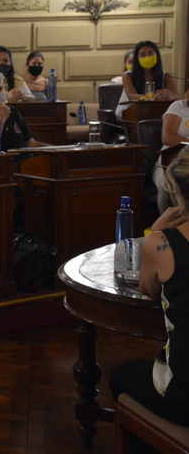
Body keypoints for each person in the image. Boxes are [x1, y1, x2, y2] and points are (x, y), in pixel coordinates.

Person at [110, 148, 189, 427]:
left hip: (185, 397)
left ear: (177, 192)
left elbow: (147, 289)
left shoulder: (162, 244)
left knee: (121, 376)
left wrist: (155, 230)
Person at [0, 70, 50, 153]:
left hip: (26, 158)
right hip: (4, 162)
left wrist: (57, 149)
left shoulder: (12, 111)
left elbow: (31, 144)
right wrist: (0, 120)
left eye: (0, 89)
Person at [115, 40, 179, 119]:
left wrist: (168, 96)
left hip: (156, 113)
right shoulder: (128, 75)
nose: (147, 57)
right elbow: (132, 96)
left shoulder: (165, 75)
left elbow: (176, 96)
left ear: (157, 55)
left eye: (151, 53)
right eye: (143, 55)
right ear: (137, 58)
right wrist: (154, 97)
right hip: (129, 113)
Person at [153, 95, 189, 213]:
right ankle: (166, 228)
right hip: (168, 162)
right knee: (166, 185)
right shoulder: (179, 106)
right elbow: (167, 137)